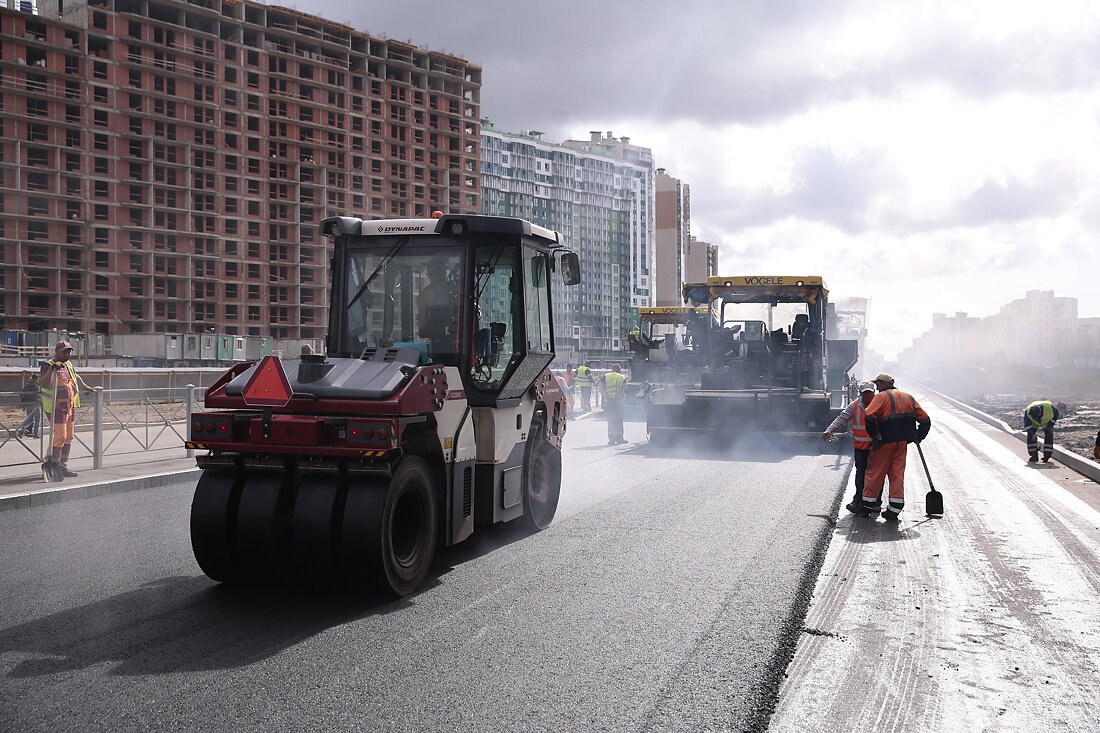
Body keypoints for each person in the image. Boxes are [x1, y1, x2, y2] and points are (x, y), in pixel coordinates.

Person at [849, 373, 931, 522]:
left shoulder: (880, 398)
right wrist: (918, 436)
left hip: (884, 444)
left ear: (885, 384)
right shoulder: (909, 397)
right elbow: (925, 420)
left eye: (879, 384)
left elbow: (868, 416)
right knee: (896, 475)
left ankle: (866, 506)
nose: (877, 387)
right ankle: (894, 509)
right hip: (901, 444)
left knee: (874, 473)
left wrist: (874, 437)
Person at [38, 340, 94, 478]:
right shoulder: (48, 365)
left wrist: (84, 386)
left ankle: (62, 466)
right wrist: (53, 370)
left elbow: (75, 377)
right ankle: (52, 464)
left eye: (69, 351)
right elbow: (42, 383)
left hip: (69, 407)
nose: (68, 354)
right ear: (57, 352)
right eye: (65, 351)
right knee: (60, 437)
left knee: (68, 437)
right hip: (56, 408)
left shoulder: (68, 364)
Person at [822, 381, 877, 507]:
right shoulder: (855, 406)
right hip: (861, 448)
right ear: (860, 394)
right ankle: (858, 498)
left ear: (874, 393)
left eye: (870, 393)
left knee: (875, 475)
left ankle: (875, 502)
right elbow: (842, 419)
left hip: (876, 447)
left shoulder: (879, 404)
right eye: (865, 394)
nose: (868, 396)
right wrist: (829, 430)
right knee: (861, 473)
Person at [602, 364, 628, 445]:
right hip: (619, 403)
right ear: (619, 370)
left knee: (610, 421)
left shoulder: (605, 376)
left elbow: (601, 388)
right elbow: (624, 389)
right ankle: (620, 439)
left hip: (609, 403)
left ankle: (611, 440)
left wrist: (608, 398)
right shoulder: (622, 377)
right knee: (619, 421)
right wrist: (617, 398)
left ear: (612, 369)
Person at [18, 373, 42, 438]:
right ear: (37, 379)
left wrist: (23, 405)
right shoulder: (37, 386)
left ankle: (22, 428)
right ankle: (36, 434)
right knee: (37, 419)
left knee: (29, 419)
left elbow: (22, 395)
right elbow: (37, 395)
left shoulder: (26, 386)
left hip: (27, 405)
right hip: (35, 404)